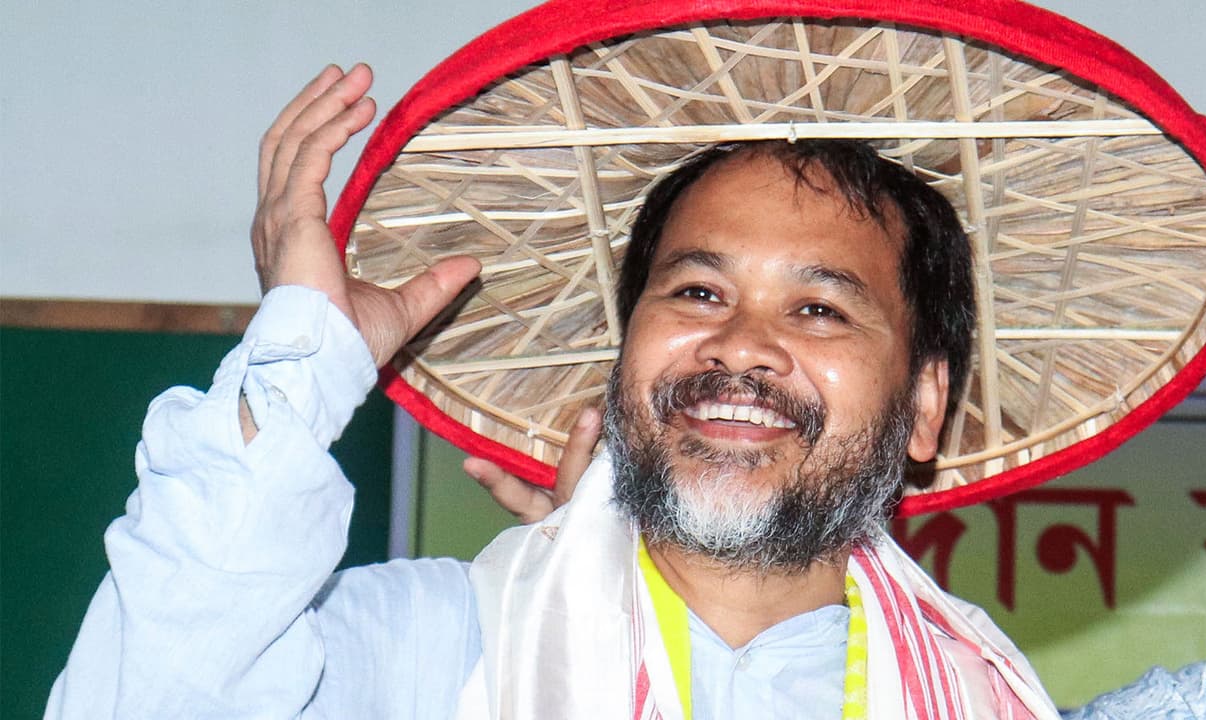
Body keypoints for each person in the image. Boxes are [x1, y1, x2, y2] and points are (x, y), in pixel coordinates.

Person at [46, 64, 1060, 719]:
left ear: (923, 406)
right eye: (697, 292)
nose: (740, 346)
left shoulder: (982, 698)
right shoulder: (442, 647)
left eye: (818, 309)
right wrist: (302, 363)